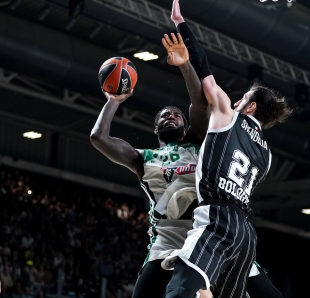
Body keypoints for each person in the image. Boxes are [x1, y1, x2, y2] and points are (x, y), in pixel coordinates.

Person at [161, 1, 293, 297]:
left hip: (217, 217)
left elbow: (203, 68)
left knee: (182, 286)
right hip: (245, 235)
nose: (235, 101)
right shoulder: (267, 157)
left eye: (242, 98)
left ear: (251, 105)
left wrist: (180, 22)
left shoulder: (229, 116)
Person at [90, 47, 209, 298]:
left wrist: (185, 66)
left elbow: (200, 104)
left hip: (201, 236)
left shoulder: (197, 142)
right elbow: (98, 138)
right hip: (164, 241)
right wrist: (113, 101)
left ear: (186, 127)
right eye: (165, 116)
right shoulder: (142, 158)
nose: (171, 116)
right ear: (156, 129)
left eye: (176, 115)